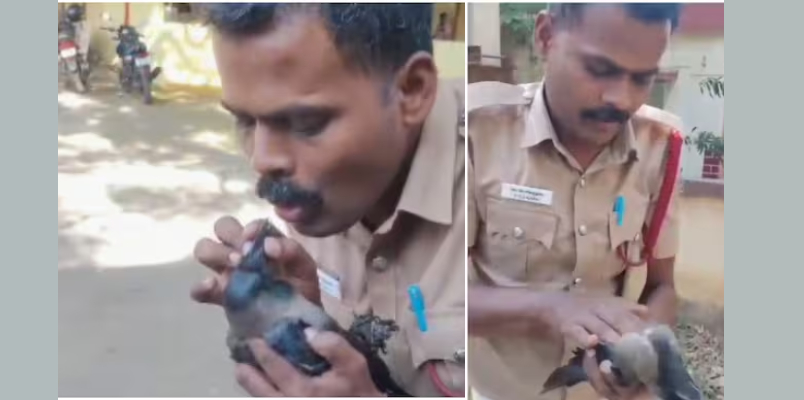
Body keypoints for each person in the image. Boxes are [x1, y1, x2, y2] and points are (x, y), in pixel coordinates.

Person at [190, 3, 466, 397]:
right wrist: (309, 325)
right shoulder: (318, 193)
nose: (262, 159)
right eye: (246, 121)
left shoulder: (490, 174)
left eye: (306, 123)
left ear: (412, 90)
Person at [466, 3, 685, 400]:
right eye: (600, 69)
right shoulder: (476, 133)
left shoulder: (661, 147)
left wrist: (640, 345)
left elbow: (662, 287)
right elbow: (436, 298)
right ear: (546, 36)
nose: (620, 98)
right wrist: (550, 310)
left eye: (643, 78)